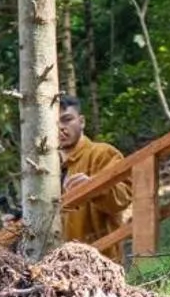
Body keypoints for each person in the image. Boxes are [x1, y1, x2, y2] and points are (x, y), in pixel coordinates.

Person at [57, 93, 133, 245]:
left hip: (102, 258)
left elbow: (123, 197)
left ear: (82, 121)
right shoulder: (46, 171)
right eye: (53, 124)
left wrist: (94, 187)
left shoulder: (102, 153)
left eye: (67, 120)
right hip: (60, 262)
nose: (60, 128)